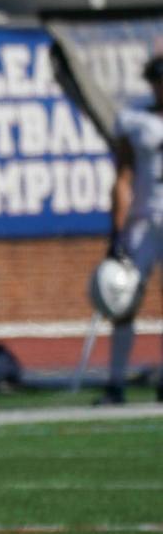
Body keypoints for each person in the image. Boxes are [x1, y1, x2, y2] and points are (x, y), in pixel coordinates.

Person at [99, 55, 163, 404]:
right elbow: (122, 178)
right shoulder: (135, 120)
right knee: (122, 300)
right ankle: (116, 381)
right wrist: (116, 232)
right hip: (145, 221)